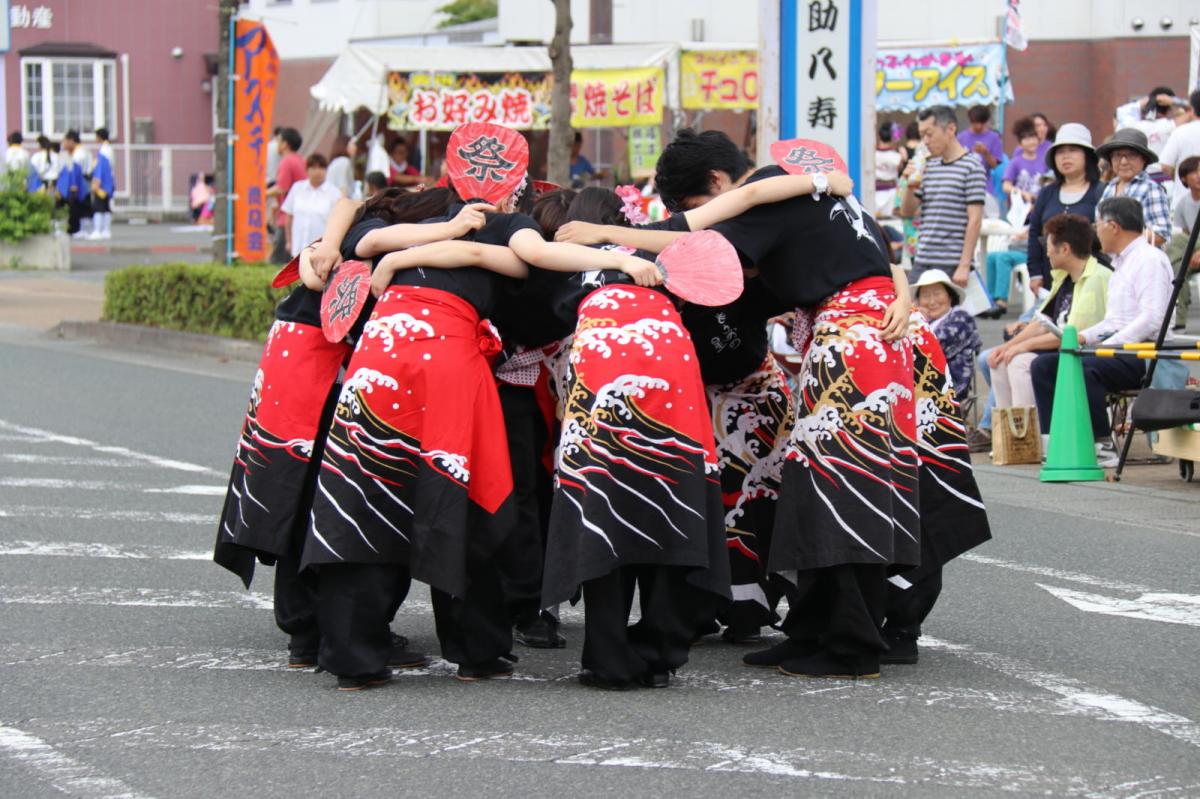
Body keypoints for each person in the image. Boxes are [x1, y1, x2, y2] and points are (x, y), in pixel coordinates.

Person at [214, 188, 499, 673]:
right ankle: (314, 627)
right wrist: (449, 230)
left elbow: (348, 206)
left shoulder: (341, 238)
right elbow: (373, 232)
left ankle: (307, 628)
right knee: (318, 501)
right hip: (318, 374)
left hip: (298, 365)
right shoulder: (366, 239)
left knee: (299, 497)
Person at [1031, 197, 1174, 445]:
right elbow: (1114, 320)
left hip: (1145, 354)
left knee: (1087, 368)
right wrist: (1083, 337)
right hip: (1123, 350)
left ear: (1113, 226)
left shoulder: (1149, 260)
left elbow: (1153, 319)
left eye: (1098, 224)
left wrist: (1109, 346)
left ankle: (1101, 442)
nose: (1096, 231)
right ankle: (1054, 441)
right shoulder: (1121, 263)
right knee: (1044, 366)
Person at [988, 213, 1111, 421]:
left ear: (1065, 249)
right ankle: (1009, 439)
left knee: (1019, 362)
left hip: (1081, 351)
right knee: (999, 361)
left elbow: (1071, 335)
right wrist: (1008, 346)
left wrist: (1021, 347)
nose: (1046, 251)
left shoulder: (1095, 279)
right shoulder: (1064, 277)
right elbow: (1041, 322)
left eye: (1049, 244)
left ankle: (1032, 437)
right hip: (1056, 347)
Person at [900, 105, 987, 286]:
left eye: (929, 134)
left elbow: (975, 220)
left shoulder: (972, 167)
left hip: (952, 262)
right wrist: (909, 184)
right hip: (923, 257)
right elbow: (907, 212)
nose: (925, 141)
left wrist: (964, 265)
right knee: (910, 310)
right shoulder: (928, 165)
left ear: (950, 129)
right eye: (922, 135)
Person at [1024, 123, 1107, 293]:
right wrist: (1035, 273)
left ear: (1087, 156)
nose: (1066, 157)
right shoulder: (1047, 193)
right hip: (1050, 281)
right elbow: (1034, 233)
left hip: (1090, 282)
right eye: (1060, 152)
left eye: (1073, 150)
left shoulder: (1101, 191)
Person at [1096, 128, 1172, 245]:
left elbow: (1161, 235)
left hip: (1141, 259)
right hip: (1111, 260)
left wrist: (1123, 236)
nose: (1123, 162)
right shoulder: (1109, 188)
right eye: (1117, 156)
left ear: (1143, 159)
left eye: (1131, 155)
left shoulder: (1151, 189)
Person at [913, 269, 981, 398]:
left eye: (937, 294)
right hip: (921, 381)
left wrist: (917, 321)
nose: (932, 301)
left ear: (950, 296)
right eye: (925, 296)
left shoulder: (961, 319)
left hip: (948, 385)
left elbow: (930, 348)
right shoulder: (926, 320)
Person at [1114, 86, 1182, 183]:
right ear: (1169, 109)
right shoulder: (1171, 126)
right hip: (1164, 180)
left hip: (1136, 179)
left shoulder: (1133, 125)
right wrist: (1173, 101)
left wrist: (1150, 99)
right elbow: (1192, 111)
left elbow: (1119, 112)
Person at [280, 154, 342, 258]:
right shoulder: (297, 188)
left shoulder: (334, 193)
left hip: (320, 250)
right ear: (307, 170)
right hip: (298, 247)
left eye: (321, 168)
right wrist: (289, 241)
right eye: (313, 168)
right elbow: (289, 217)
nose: (317, 172)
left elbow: (338, 222)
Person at [1167, 156, 1200, 329]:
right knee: (1178, 267)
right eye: (1194, 171)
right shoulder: (1183, 203)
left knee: (1177, 242)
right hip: (1191, 252)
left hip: (1195, 250)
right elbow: (1185, 236)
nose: (1199, 175)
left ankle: (1177, 316)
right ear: (1184, 178)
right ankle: (1179, 319)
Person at [266, 128, 305, 264]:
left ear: (285, 144)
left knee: (277, 261)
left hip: (287, 217)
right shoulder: (300, 160)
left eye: (279, 141)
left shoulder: (287, 161)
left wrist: (262, 194)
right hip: (298, 215)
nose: (276, 144)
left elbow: (282, 188)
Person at [1002, 116, 1050, 205]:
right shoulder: (1015, 162)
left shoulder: (1044, 161)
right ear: (1020, 143)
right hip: (1020, 209)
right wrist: (1022, 193)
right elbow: (1006, 186)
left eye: (1033, 138)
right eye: (1027, 139)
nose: (1031, 142)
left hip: (1038, 207)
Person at [1159, 90, 1200, 182]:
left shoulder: (1180, 132)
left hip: (1185, 193)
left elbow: (1165, 167)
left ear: (1192, 110)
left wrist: (1171, 187)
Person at [957, 104, 1004, 173]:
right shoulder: (960, 137)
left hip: (984, 181)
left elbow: (995, 166)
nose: (978, 126)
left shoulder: (994, 138)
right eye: (975, 122)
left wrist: (986, 153)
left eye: (982, 123)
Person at [88, 129, 115, 240]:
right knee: (106, 207)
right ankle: (106, 230)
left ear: (99, 137)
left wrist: (96, 182)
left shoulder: (103, 150)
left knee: (98, 207)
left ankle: (97, 230)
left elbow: (101, 168)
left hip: (102, 182)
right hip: (110, 181)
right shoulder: (110, 148)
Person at [875, 122, 905, 217]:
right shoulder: (896, 156)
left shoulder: (872, 154)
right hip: (891, 193)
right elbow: (900, 168)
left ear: (879, 135)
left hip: (873, 192)